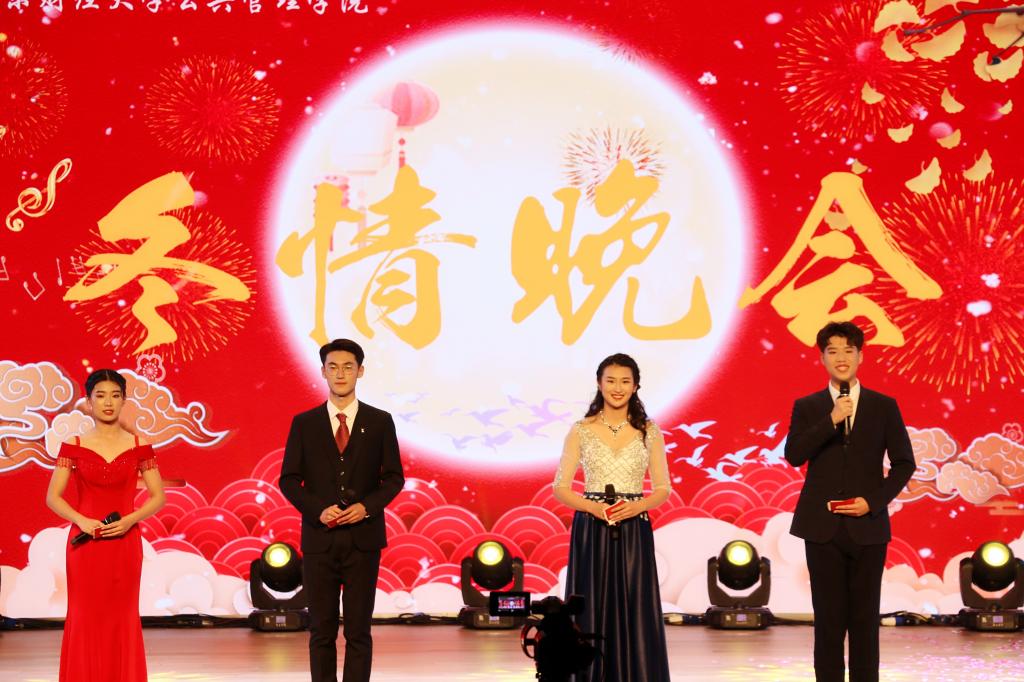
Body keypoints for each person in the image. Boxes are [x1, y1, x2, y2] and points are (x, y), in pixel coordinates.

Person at [784, 321, 916, 682]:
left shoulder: (883, 406)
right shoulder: (808, 406)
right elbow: (794, 454)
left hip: (868, 527)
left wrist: (872, 502)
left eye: (848, 350)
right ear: (822, 358)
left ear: (860, 356)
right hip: (821, 528)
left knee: (864, 620)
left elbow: (905, 463)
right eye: (832, 351)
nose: (841, 358)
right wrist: (832, 419)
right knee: (828, 620)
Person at [279, 338, 405, 682]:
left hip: (364, 541)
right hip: (319, 540)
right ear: (322, 372)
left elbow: (394, 477)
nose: (340, 373)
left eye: (348, 367)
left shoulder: (379, 421)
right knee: (321, 631)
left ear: (360, 371)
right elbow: (288, 479)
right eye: (332, 367)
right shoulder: (305, 423)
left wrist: (367, 507)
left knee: (358, 631)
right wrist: (317, 510)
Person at [552, 353, 672, 682]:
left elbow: (663, 488)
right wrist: (593, 508)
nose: (617, 388)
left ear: (635, 386)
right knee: (589, 605)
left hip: (633, 528)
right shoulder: (581, 430)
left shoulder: (650, 431)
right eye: (611, 380)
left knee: (635, 604)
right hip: (591, 528)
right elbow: (560, 487)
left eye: (625, 381)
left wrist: (637, 506)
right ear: (599, 383)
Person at [45, 369, 166, 682]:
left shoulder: (140, 445)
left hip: (125, 544)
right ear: (89, 402)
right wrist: (82, 520)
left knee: (122, 617)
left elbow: (158, 497)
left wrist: (129, 520)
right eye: (100, 396)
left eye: (115, 395)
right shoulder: (73, 445)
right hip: (85, 546)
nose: (108, 402)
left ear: (124, 400)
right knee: (84, 616)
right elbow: (53, 497)